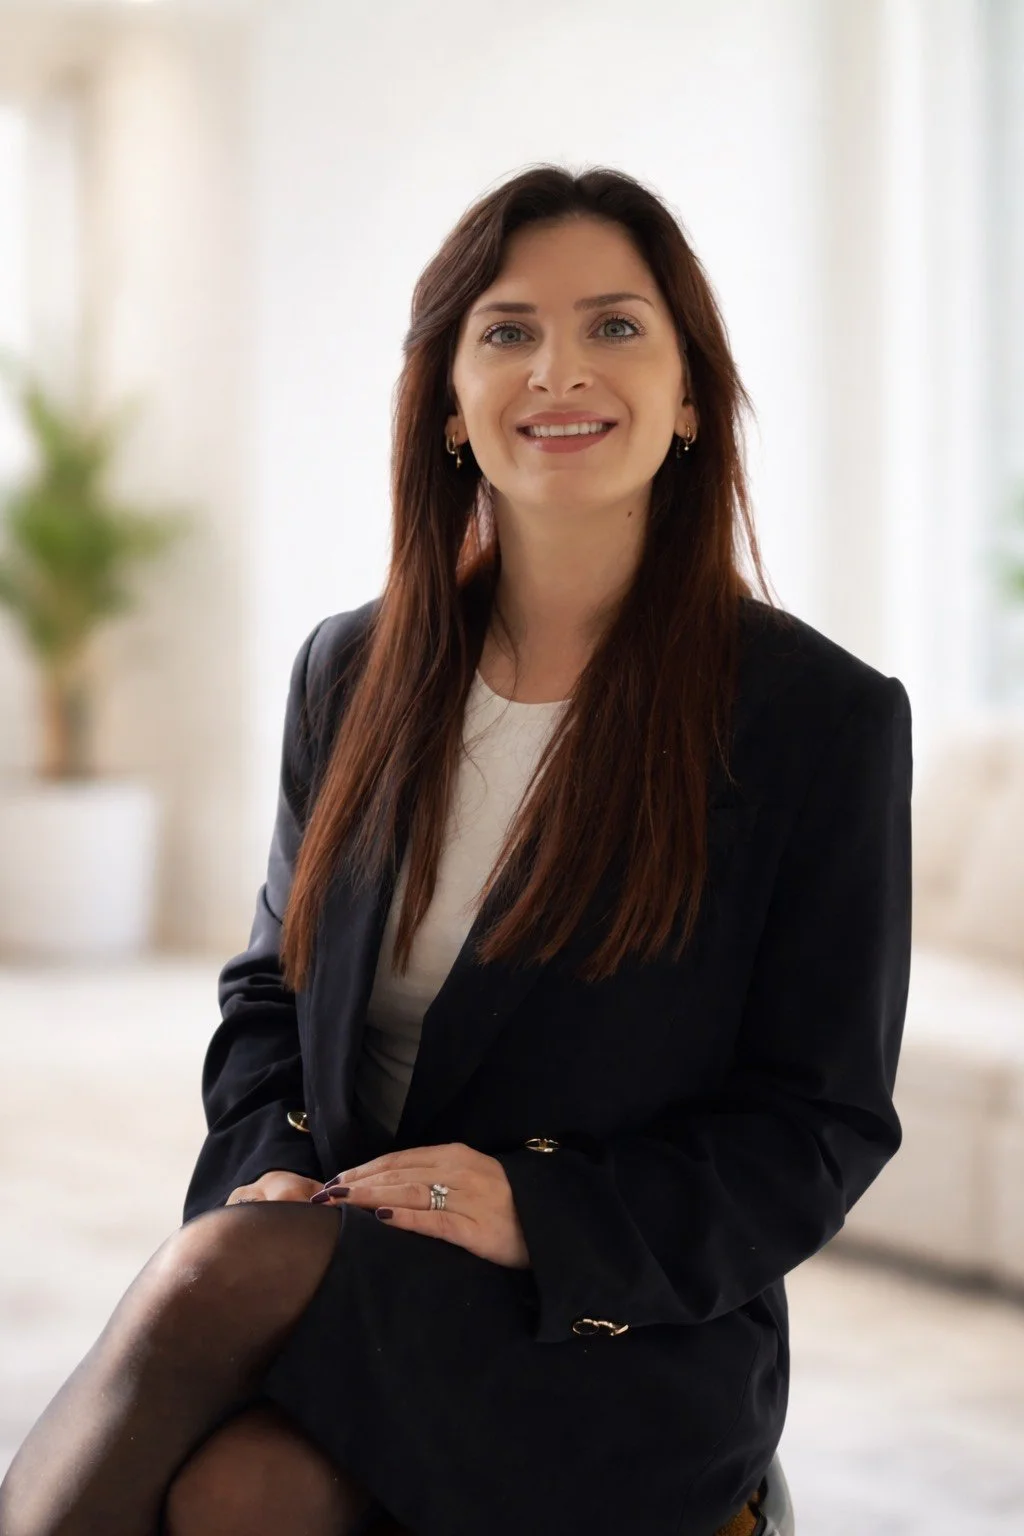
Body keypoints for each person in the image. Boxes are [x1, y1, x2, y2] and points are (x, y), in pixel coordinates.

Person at [0, 164, 913, 1536]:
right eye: (507, 330)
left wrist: (537, 1210)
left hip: (609, 1332)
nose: (559, 368)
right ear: (446, 402)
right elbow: (272, 995)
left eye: (615, 327)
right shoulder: (352, 669)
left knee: (208, 1288)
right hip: (334, 1263)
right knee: (240, 1488)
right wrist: (269, 1171)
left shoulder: (819, 721)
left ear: (687, 403)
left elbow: (818, 1127)